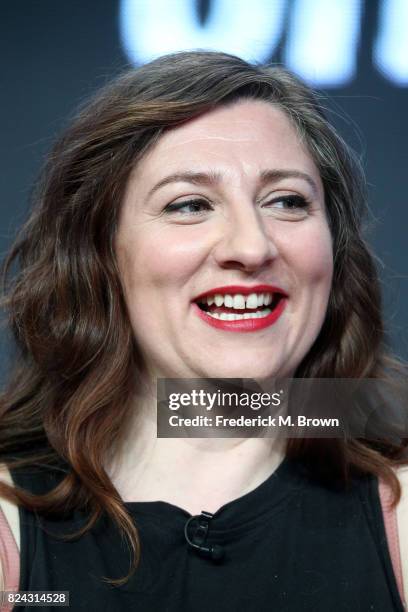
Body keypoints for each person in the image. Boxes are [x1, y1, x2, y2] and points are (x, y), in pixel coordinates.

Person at [0, 50, 407, 611]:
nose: (252, 247)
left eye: (287, 201)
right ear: (99, 253)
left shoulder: (400, 516)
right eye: (190, 205)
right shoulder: (9, 530)